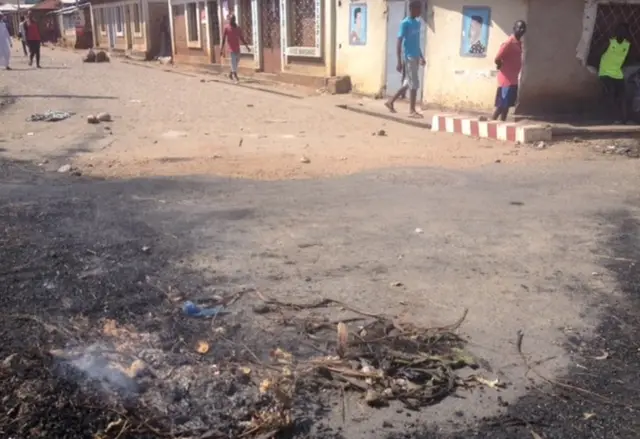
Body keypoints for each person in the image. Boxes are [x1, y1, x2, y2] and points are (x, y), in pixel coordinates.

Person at [385, 1, 425, 118]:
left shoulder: (417, 23)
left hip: (416, 56)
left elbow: (416, 42)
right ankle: (412, 111)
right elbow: (399, 42)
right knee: (414, 84)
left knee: (408, 83)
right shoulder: (405, 23)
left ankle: (390, 101)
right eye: (419, 9)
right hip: (409, 57)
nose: (420, 11)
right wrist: (398, 61)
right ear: (412, 8)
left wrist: (421, 56)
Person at [492, 20, 526, 121]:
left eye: (523, 28)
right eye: (519, 27)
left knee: (507, 105)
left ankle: (502, 123)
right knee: (501, 105)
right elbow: (497, 57)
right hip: (506, 80)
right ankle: (491, 123)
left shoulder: (518, 42)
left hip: (513, 79)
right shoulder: (509, 42)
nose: (521, 30)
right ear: (514, 28)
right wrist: (500, 65)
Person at [598, 23, 632, 124]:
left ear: (627, 33)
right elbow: (598, 54)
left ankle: (624, 119)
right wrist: (598, 67)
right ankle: (612, 118)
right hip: (605, 72)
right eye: (619, 30)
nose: (621, 33)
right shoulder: (609, 42)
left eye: (624, 31)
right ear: (616, 32)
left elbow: (629, 59)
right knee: (612, 92)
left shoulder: (627, 45)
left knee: (622, 96)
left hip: (617, 73)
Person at [220, 14, 250, 83]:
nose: (231, 21)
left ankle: (231, 73)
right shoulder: (226, 28)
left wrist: (247, 46)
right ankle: (235, 76)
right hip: (231, 48)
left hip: (237, 48)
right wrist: (222, 49)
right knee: (233, 61)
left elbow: (241, 37)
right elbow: (224, 39)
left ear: (234, 20)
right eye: (230, 20)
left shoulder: (238, 28)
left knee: (237, 61)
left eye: (232, 20)